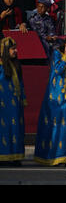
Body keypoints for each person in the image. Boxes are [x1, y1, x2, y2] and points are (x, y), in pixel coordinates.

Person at [34, 34, 66, 166]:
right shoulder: (57, 54)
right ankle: (45, 156)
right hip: (54, 98)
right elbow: (57, 70)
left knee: (62, 128)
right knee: (50, 126)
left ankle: (60, 156)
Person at [0, 37, 26, 165]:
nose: (16, 51)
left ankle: (15, 156)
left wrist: (23, 100)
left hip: (15, 105)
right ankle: (3, 157)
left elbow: (21, 84)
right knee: (4, 130)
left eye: (16, 48)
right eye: (12, 49)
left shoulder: (16, 64)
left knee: (16, 129)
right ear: (5, 50)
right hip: (3, 105)